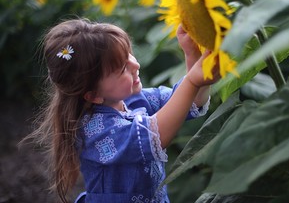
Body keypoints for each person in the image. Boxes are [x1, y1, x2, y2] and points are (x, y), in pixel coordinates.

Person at [26, 18, 220, 203]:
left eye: (128, 54)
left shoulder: (133, 100)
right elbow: (156, 134)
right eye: (121, 69)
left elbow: (190, 101)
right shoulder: (96, 131)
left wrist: (192, 53)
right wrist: (192, 80)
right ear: (93, 95)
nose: (135, 65)